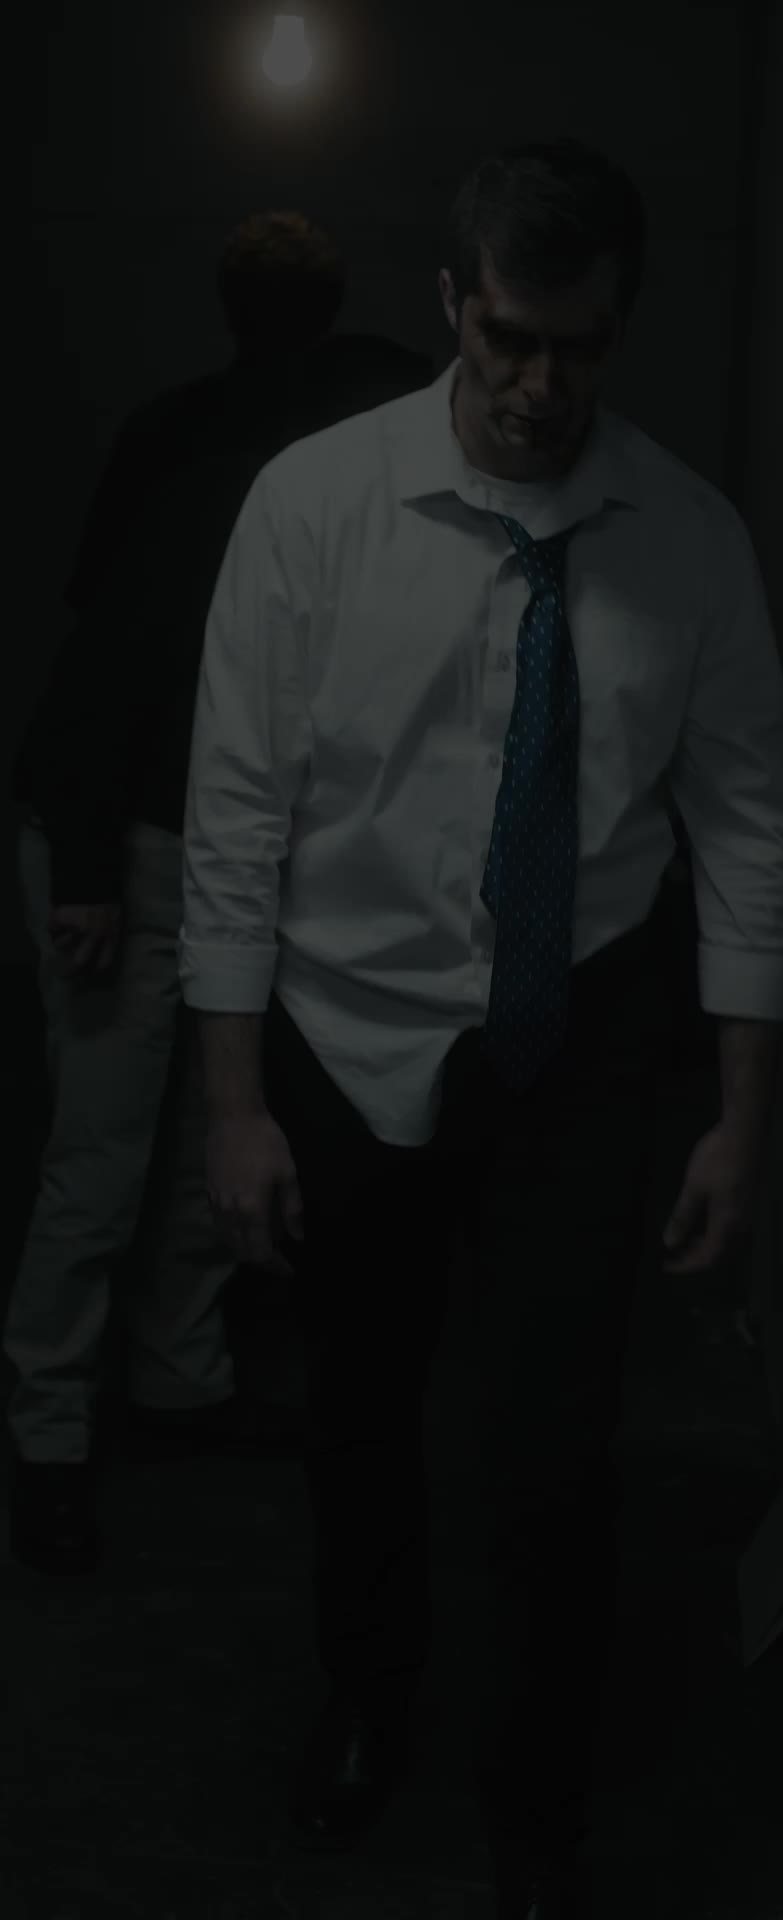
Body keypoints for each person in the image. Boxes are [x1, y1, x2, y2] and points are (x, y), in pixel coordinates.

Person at [181, 139, 783, 1910]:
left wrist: (741, 1110)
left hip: (576, 1036)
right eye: (508, 339)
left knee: (555, 1447)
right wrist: (233, 1102)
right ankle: (370, 1699)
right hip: (345, 1029)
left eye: (579, 348)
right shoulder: (312, 509)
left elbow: (751, 826)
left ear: (619, 331)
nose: (541, 385)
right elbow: (235, 810)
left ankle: (540, 1792)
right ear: (452, 304)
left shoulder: (689, 542)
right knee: (359, 1414)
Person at [6, 213, 433, 1527]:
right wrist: (87, 867)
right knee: (102, 1156)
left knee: (207, 1132)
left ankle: (180, 1387)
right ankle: (48, 1433)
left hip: (216, 854)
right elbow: (100, 673)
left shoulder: (345, 513)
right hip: (126, 841)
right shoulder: (227, 491)